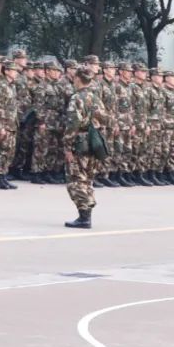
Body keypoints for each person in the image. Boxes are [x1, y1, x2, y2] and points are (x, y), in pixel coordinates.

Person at [63, 66, 106, 229]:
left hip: (79, 143)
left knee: (76, 180)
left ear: (78, 79)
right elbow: (104, 119)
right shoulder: (96, 98)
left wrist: (67, 146)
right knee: (87, 178)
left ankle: (84, 216)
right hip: (93, 141)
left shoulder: (77, 98)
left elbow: (72, 124)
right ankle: (87, 210)